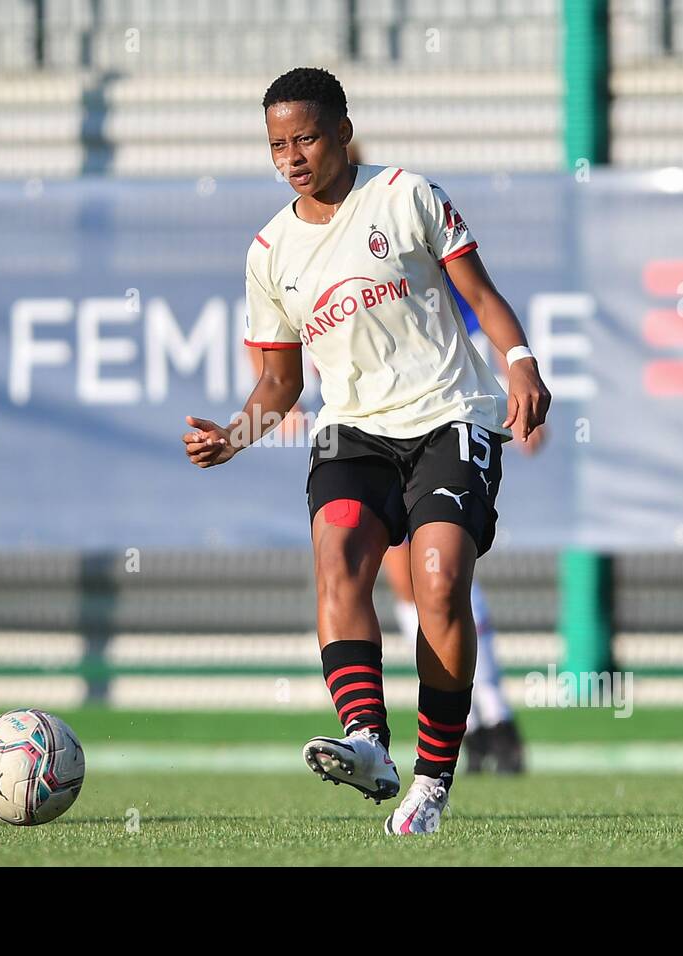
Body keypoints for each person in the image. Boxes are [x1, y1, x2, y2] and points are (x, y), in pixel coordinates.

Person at [183, 67, 550, 834]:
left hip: (450, 416)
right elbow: (279, 384)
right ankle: (368, 743)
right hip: (353, 431)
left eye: (307, 137)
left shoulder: (407, 195)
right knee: (339, 554)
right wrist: (236, 434)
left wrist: (521, 365)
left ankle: (434, 781)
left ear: (343, 131)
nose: (293, 156)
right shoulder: (270, 252)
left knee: (440, 581)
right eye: (278, 144)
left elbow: (483, 299)